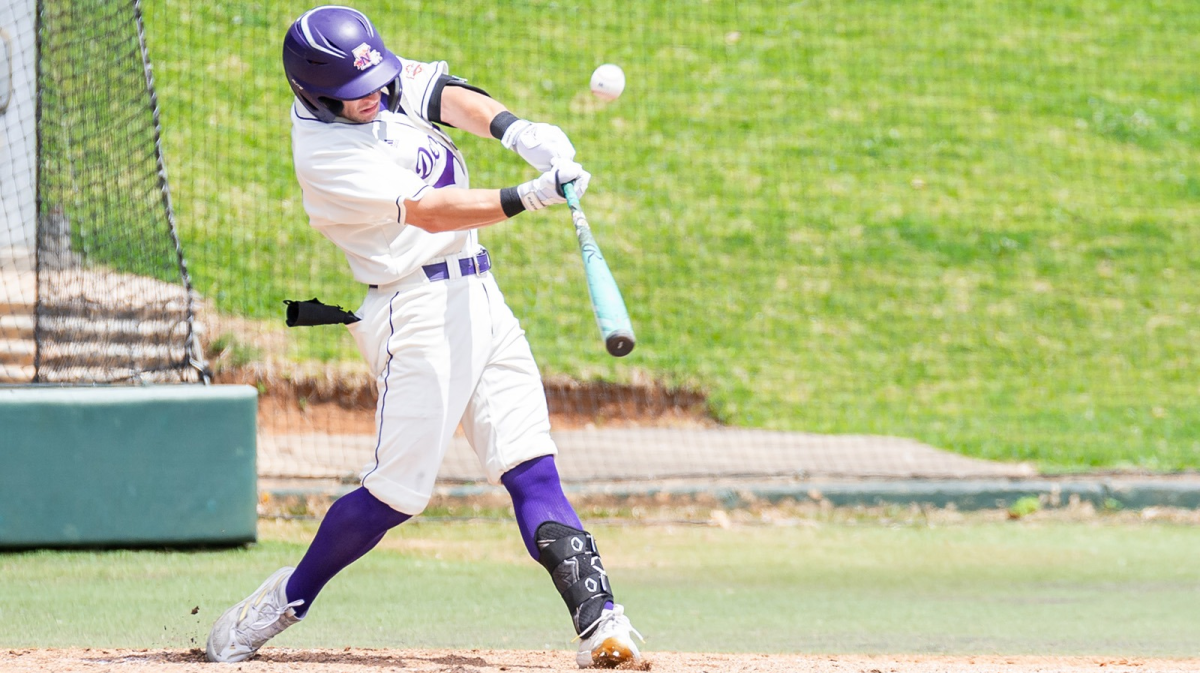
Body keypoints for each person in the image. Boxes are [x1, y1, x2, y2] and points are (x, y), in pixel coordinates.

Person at [204, 5, 643, 669]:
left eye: (375, 81)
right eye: (354, 95)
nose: (373, 96)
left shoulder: (369, 80)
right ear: (313, 95)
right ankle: (277, 603)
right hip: (415, 313)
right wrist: (530, 194)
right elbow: (433, 213)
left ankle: (604, 623)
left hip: (480, 298)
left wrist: (519, 130)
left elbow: (442, 94)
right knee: (395, 495)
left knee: (529, 463)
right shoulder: (325, 155)